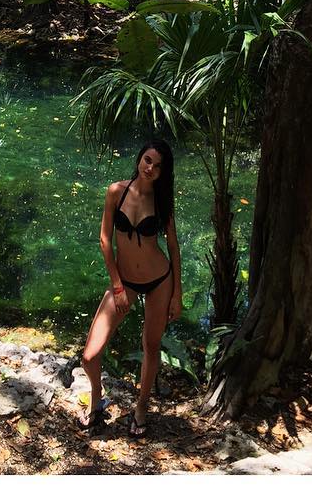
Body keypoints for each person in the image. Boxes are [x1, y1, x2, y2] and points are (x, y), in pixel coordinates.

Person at [75, 138, 181, 438]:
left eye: (158, 166)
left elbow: (173, 248)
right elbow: (105, 241)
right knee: (89, 355)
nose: (151, 168)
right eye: (147, 160)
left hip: (160, 279)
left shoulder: (162, 201)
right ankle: (97, 400)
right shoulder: (116, 192)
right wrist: (118, 286)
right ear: (139, 159)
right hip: (125, 282)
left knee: (151, 345)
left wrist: (177, 294)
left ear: (163, 171)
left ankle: (141, 408)